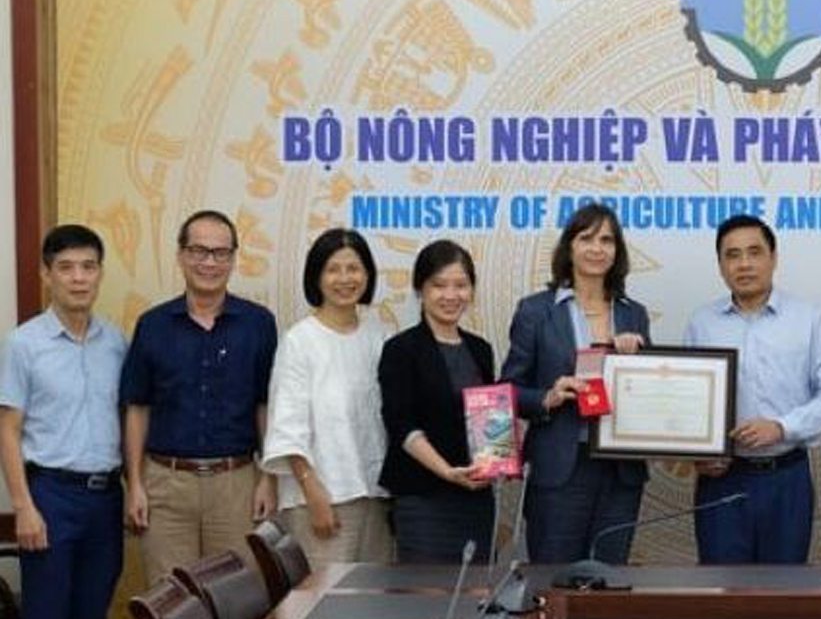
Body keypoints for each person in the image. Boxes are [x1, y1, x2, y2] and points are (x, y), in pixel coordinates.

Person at [0, 225, 126, 619]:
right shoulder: (23, 344)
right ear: (47, 274)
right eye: (67, 267)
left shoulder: (116, 341)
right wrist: (23, 505)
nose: (79, 277)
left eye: (88, 266)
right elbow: (8, 432)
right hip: (49, 494)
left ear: (100, 272)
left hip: (105, 499)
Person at [121, 210, 278, 584]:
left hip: (236, 483)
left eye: (220, 253)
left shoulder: (258, 323)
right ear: (180, 255)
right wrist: (136, 484)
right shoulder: (153, 325)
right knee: (170, 603)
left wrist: (268, 478)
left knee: (237, 600)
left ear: (233, 259)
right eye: (198, 251)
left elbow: (266, 405)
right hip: (166, 485)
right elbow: (137, 407)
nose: (209, 262)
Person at [682, 215, 821, 563]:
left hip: (786, 478)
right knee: (720, 590)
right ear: (720, 265)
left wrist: (782, 427)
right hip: (722, 480)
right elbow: (689, 401)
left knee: (783, 593)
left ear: (773, 258)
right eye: (732, 255)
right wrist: (700, 452)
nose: (744, 264)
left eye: (754, 252)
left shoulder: (808, 318)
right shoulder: (702, 322)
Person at [502, 203, 650, 563]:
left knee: (610, 581)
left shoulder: (634, 313)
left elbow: (648, 395)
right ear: (569, 247)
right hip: (560, 468)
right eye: (586, 238)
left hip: (620, 471)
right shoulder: (536, 310)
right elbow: (508, 391)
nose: (597, 249)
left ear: (618, 251)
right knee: (552, 583)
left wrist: (640, 361)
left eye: (607, 240)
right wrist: (548, 396)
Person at [262, 229, 391, 567]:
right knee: (326, 607)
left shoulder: (379, 337)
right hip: (320, 499)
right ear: (316, 277)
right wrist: (312, 490)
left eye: (354, 268)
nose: (345, 279)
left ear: (368, 274)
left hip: (375, 496)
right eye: (333, 269)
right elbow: (287, 425)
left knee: (374, 604)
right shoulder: (300, 341)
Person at [378, 240, 496, 564]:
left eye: (461, 285)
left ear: (471, 290)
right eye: (439, 285)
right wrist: (447, 471)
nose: (451, 295)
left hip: (477, 499)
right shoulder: (401, 350)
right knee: (426, 604)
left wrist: (496, 462)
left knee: (475, 597)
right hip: (423, 499)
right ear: (420, 290)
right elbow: (401, 426)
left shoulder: (480, 349)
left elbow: (490, 419)